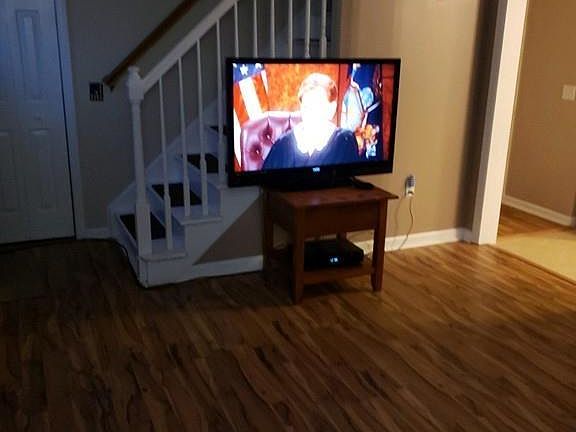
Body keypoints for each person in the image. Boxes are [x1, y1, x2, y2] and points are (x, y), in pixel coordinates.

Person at [262, 73, 360, 169]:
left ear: (331, 109)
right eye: (306, 107)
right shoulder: (282, 144)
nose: (310, 114)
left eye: (317, 107)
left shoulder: (345, 142)